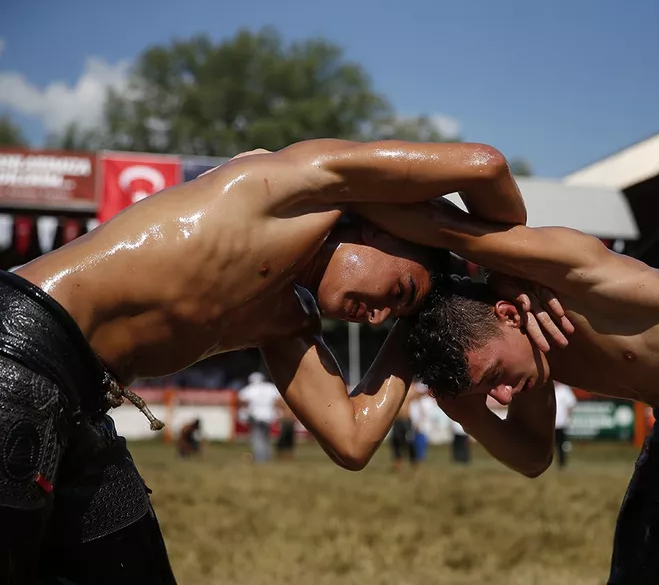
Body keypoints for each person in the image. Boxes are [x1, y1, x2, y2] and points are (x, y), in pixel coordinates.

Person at [2, 139, 570, 584]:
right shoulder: (292, 184)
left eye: (390, 319)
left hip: (80, 402)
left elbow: (352, 442)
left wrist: (416, 324)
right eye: (395, 292)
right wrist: (519, 278)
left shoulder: (281, 321)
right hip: (16, 345)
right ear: (386, 229)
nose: (374, 320)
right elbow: (485, 166)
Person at [356, 199, 659, 584]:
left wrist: (326, 192)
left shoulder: (567, 275)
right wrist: (463, 409)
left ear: (509, 313)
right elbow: (534, 458)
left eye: (495, 376)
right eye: (489, 389)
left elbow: (441, 221)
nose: (504, 396)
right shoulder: (530, 358)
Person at [238, 372, 281, 463]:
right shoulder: (270, 388)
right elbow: (277, 400)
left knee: (257, 438)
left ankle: (259, 458)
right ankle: (266, 457)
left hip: (255, 416)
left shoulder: (248, 389)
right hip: (268, 416)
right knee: (266, 438)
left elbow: (242, 401)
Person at [553, 382, 578, 469]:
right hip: (551, 424)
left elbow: (570, 404)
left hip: (561, 423)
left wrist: (568, 418)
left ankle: (561, 463)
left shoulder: (565, 390)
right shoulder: (548, 389)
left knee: (561, 445)